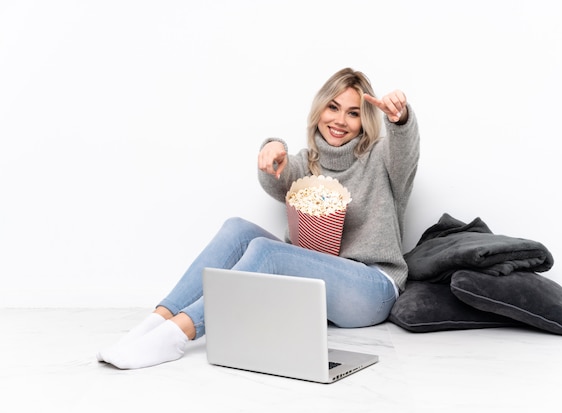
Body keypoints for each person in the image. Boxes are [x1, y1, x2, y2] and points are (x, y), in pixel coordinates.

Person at [97, 67, 420, 369]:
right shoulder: (307, 162)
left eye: (353, 113)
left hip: (372, 288)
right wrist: (272, 147)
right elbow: (277, 178)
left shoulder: (381, 158)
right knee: (237, 229)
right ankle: (154, 324)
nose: (340, 120)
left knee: (269, 250)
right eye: (333, 107)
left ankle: (177, 335)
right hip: (315, 294)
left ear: (366, 120)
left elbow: (404, 148)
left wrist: (400, 119)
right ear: (319, 110)